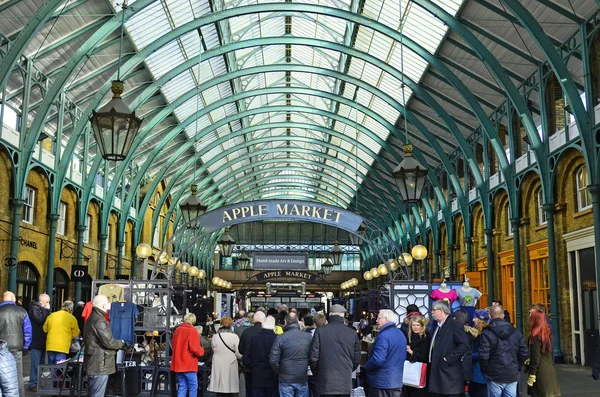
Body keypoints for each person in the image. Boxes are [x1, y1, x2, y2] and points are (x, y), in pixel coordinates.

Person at [308, 304, 361, 397]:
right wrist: (348, 369)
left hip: (325, 381)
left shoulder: (320, 331)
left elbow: (313, 357)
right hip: (344, 382)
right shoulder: (352, 333)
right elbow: (356, 358)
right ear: (343, 315)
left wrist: (318, 372)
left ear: (330, 315)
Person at [84, 295, 129, 397]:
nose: (110, 304)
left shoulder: (92, 318)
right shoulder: (99, 320)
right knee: (97, 393)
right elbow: (109, 342)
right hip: (100, 363)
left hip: (95, 361)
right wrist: (122, 343)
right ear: (104, 305)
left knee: (94, 392)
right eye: (108, 302)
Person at [478, 305, 528, 397]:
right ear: (503, 315)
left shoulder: (487, 333)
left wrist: (485, 370)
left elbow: (483, 355)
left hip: (494, 373)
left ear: (490, 316)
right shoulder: (515, 331)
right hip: (511, 372)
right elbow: (524, 352)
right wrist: (517, 366)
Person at [427, 301, 470, 397]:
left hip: (449, 373)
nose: (432, 312)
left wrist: (448, 359)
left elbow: (464, 344)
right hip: (437, 372)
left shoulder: (454, 325)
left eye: (434, 310)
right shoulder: (437, 326)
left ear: (441, 311)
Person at [364, 309, 406, 397]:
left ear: (386, 319)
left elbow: (378, 360)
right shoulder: (400, 333)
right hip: (396, 381)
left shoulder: (384, 335)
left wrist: (367, 366)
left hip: (383, 382)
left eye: (378, 318)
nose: (376, 321)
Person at [270, 312, 312, 397]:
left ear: (285, 322)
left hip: (286, 378)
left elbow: (273, 359)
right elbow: (313, 356)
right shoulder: (308, 337)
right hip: (302, 376)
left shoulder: (280, 337)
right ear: (298, 321)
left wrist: (280, 371)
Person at [0, 291, 32, 397]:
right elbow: (28, 331)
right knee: (18, 373)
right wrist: (26, 346)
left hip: (1, 347)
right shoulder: (22, 311)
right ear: (14, 299)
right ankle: (19, 394)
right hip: (17, 347)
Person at [525, 309, 560, 397]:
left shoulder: (536, 335)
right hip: (549, 370)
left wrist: (532, 374)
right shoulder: (546, 333)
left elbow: (536, 357)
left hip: (540, 372)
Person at [171, 313, 205, 397]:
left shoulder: (177, 330)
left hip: (178, 363)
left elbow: (173, 345)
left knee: (182, 386)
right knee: (193, 386)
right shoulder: (192, 331)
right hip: (188, 363)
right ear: (193, 321)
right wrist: (202, 351)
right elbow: (194, 348)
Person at [243, 316, 278, 397]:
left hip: (257, 376)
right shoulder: (277, 339)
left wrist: (253, 367)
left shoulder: (253, 339)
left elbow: (246, 359)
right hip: (273, 377)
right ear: (274, 325)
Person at [208, 316, 243, 395]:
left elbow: (213, 349)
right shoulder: (235, 337)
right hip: (231, 362)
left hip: (218, 363)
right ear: (231, 325)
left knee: (219, 386)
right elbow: (238, 352)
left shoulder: (215, 336)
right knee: (229, 385)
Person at [43, 300, 80, 364]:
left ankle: (52, 374)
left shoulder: (52, 315)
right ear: (71, 309)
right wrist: (69, 336)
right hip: (63, 346)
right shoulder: (72, 318)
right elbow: (76, 333)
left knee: (51, 366)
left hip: (50, 345)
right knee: (59, 367)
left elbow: (44, 329)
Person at [27, 293, 50, 392]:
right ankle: (33, 383)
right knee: (35, 364)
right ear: (42, 301)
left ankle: (38, 382)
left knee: (40, 364)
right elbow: (40, 319)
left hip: (42, 340)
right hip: (37, 340)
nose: (48, 303)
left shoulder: (40, 309)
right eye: (47, 302)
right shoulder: (34, 308)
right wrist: (46, 310)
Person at [240, 310, 266, 397]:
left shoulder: (246, 332)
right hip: (265, 368)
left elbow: (240, 349)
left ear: (253, 320)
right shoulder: (268, 333)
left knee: (250, 390)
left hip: (249, 367)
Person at [403, 315, 430, 397]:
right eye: (414, 325)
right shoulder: (409, 337)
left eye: (418, 325)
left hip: (420, 371)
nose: (415, 327)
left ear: (422, 326)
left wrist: (411, 352)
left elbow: (424, 357)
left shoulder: (425, 338)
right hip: (409, 371)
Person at [468, 310, 490, 397]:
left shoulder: (484, 334)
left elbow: (482, 353)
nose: (473, 320)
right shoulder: (479, 332)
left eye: (475, 318)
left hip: (480, 370)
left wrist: (469, 356)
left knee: (479, 392)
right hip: (477, 369)